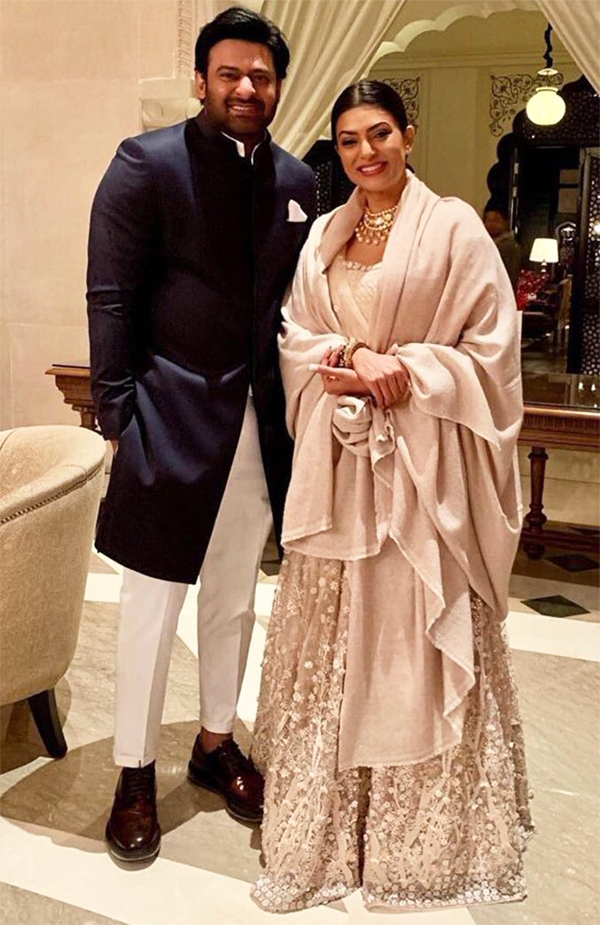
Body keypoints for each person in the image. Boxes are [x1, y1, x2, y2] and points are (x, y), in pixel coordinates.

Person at [251, 80, 533, 913]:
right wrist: (348, 355)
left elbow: (492, 352)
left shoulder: (453, 228)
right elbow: (297, 336)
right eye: (348, 141)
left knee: (410, 636)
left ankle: (419, 836)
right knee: (338, 641)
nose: (365, 152)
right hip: (342, 472)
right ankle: (333, 826)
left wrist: (406, 368)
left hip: (422, 474)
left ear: (409, 134)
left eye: (379, 134)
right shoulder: (326, 235)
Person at [87, 6, 316, 864]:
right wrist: (118, 415)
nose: (245, 87)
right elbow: (110, 296)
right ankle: (134, 770)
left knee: (234, 596)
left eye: (260, 75)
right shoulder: (144, 165)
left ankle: (216, 742)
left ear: (277, 86)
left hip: (259, 427)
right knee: (151, 605)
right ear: (201, 80)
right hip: (166, 419)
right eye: (229, 73)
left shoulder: (298, 180)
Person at [483, 204, 522, 292]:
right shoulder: (488, 243)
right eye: (488, 220)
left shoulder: (507, 245)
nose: (491, 224)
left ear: (506, 222)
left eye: (496, 220)